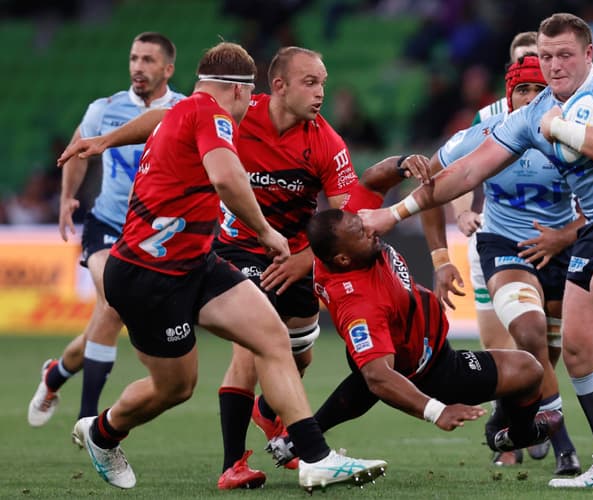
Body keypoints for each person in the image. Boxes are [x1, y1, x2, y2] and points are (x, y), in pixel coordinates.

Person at [359, 12, 593, 489]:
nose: (553, 67)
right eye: (546, 57)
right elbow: (466, 172)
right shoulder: (531, 116)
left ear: (589, 55)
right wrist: (394, 213)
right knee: (574, 350)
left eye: (564, 55)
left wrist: (562, 129)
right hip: (585, 231)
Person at [70, 41, 387, 492]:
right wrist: (265, 231)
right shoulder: (214, 113)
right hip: (148, 275)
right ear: (243, 92)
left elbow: (162, 120)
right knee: (175, 388)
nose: (319, 93)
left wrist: (105, 140)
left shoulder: (189, 110)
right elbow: (225, 176)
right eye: (311, 82)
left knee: (272, 338)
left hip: (197, 263)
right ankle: (102, 432)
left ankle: (316, 457)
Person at [264, 207, 562, 469]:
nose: (368, 228)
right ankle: (517, 436)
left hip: (409, 347)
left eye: (361, 221)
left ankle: (298, 440)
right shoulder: (359, 304)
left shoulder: (355, 242)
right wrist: (437, 410)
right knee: (529, 369)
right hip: (429, 370)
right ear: (342, 258)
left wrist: (403, 166)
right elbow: (378, 376)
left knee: (365, 380)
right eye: (359, 230)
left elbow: (378, 183)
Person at [417, 55, 584, 475]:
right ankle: (562, 444)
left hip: (562, 249)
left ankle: (504, 419)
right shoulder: (481, 135)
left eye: (536, 90)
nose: (529, 98)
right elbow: (427, 188)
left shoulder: (573, 137)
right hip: (504, 244)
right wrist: (440, 258)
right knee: (528, 334)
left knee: (548, 353)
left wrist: (564, 236)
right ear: (508, 98)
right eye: (521, 90)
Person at [27, 32, 184, 428]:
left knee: (104, 314)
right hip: (108, 225)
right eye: (134, 58)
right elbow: (80, 148)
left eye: (148, 60)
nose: (137, 67)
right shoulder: (106, 109)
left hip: (157, 236)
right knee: (112, 303)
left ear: (168, 69)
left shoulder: (185, 111)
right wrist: (67, 197)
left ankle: (55, 374)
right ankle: (87, 418)